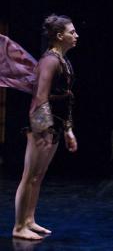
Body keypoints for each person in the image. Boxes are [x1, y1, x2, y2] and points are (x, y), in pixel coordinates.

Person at [0, 14, 78, 240]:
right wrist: (42, 130)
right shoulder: (50, 61)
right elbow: (40, 97)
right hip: (41, 123)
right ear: (59, 36)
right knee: (29, 175)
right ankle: (18, 227)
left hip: (55, 124)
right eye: (72, 32)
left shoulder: (64, 60)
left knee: (39, 176)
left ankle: (29, 220)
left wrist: (68, 129)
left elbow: (65, 98)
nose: (76, 35)